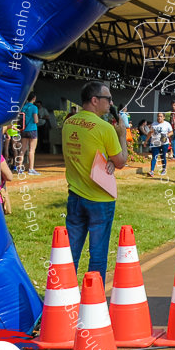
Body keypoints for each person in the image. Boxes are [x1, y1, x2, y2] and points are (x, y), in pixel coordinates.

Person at [62, 81, 127, 282]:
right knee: (97, 255)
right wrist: (122, 135)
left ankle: (64, 296)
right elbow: (121, 161)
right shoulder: (105, 128)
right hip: (100, 198)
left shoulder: (68, 123)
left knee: (70, 252)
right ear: (94, 100)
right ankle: (93, 300)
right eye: (108, 99)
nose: (111, 103)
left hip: (75, 196)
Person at [20, 92, 40, 175]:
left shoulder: (23, 107)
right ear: (34, 98)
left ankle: (19, 168)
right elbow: (36, 120)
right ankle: (31, 169)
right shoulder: (34, 107)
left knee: (23, 149)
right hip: (32, 129)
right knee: (31, 150)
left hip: (24, 130)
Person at [150, 112, 172, 176]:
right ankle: (151, 171)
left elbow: (171, 132)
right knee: (154, 156)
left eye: (161, 116)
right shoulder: (154, 124)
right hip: (155, 143)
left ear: (164, 117)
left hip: (164, 143)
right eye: (158, 116)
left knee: (163, 156)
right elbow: (150, 132)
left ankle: (164, 169)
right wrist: (146, 141)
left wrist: (166, 135)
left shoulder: (167, 124)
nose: (159, 117)